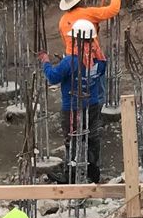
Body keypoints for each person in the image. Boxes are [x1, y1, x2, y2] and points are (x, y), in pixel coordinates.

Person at [43, 19, 108, 182]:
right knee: (92, 138)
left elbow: (53, 77)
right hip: (92, 105)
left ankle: (70, 174)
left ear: (76, 40)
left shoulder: (70, 61)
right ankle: (94, 172)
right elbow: (98, 73)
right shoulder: (99, 59)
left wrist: (45, 62)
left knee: (71, 139)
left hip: (72, 108)